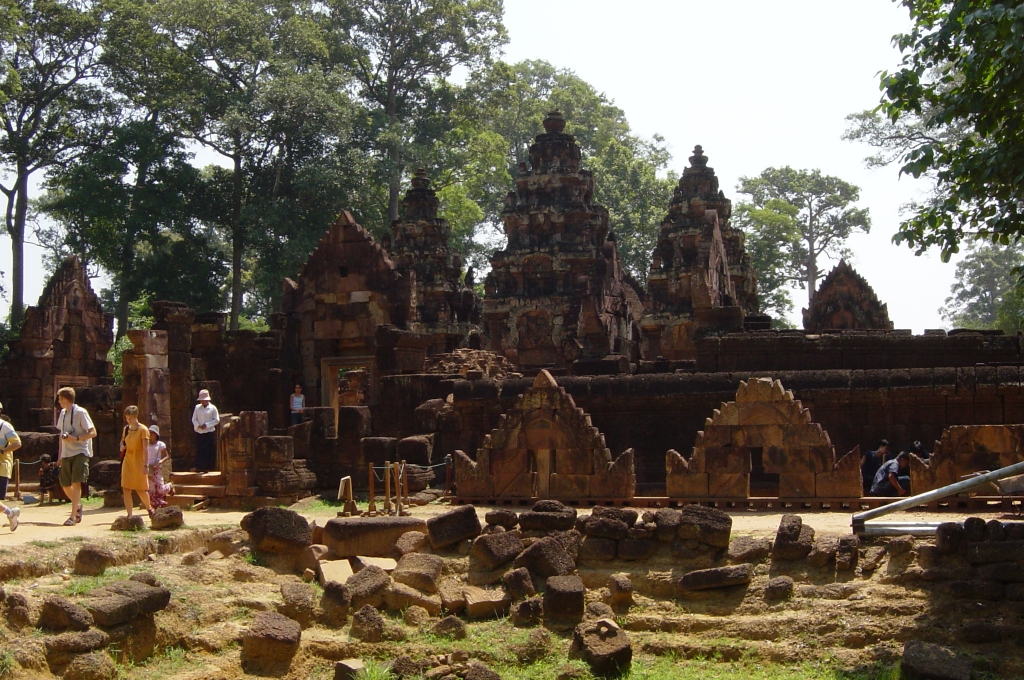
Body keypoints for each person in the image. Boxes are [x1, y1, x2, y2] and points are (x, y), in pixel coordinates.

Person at [56, 386, 96, 526]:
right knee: (64, 484)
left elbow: (93, 432)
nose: (59, 401)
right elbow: (61, 436)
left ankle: (72, 516)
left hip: (80, 451)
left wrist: (76, 439)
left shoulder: (80, 412)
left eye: (60, 398)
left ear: (66, 399)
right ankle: (77, 505)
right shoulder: (63, 413)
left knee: (76, 482)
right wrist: (60, 455)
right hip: (67, 453)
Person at [119, 405, 154, 520]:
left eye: (131, 418)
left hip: (139, 460)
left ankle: (149, 508)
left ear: (136, 417)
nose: (129, 420)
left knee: (140, 488)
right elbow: (122, 441)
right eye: (127, 418)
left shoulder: (143, 430)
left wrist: (146, 465)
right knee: (126, 488)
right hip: (128, 459)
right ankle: (129, 515)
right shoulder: (126, 429)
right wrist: (122, 447)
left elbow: (145, 449)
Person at [191, 389, 220, 472]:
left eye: (204, 400)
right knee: (200, 449)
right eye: (201, 400)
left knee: (209, 449)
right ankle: (199, 466)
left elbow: (216, 420)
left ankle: (208, 467)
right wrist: (198, 425)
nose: (203, 401)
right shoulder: (197, 408)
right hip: (199, 431)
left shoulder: (213, 408)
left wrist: (207, 425)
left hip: (209, 432)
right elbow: (194, 419)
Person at [0, 401, 23, 501]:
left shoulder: (4, 426)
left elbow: (17, 443)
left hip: (1, 467)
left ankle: (10, 513)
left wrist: (2, 451)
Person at [147, 425, 172, 508]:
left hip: (157, 468)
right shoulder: (146, 444)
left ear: (156, 435)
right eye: (149, 433)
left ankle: (169, 486)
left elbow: (167, 456)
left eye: (152, 433)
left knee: (160, 488)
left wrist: (160, 462)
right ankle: (157, 505)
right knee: (151, 489)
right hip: (148, 468)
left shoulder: (160, 445)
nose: (151, 435)